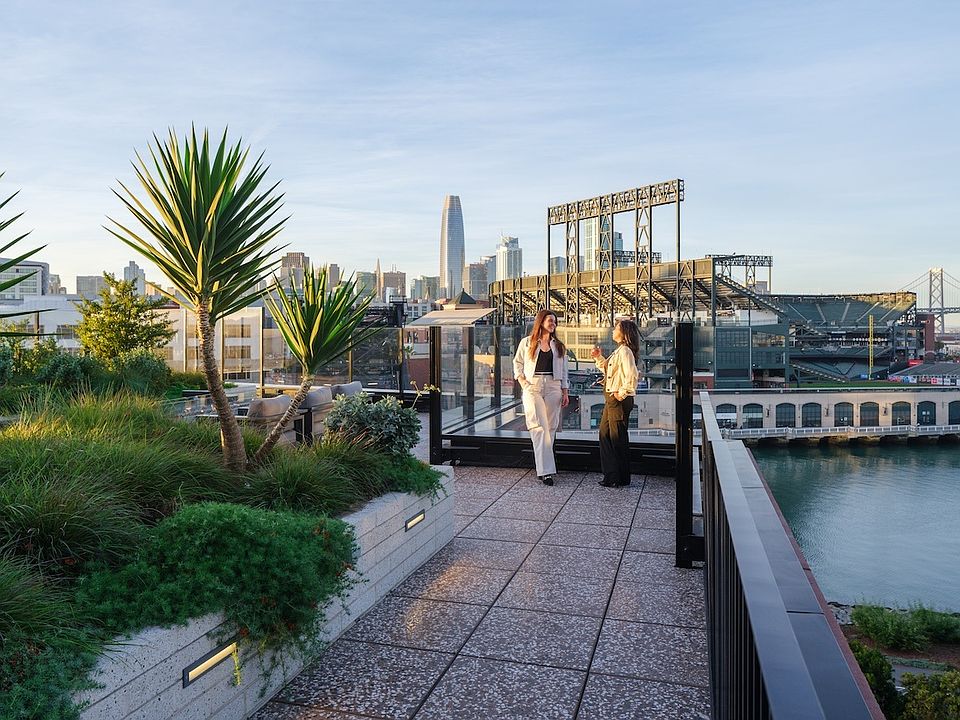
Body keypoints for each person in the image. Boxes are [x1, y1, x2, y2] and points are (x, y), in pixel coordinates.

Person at [513, 309, 569, 486]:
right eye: (550, 320)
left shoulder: (558, 346)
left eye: (554, 321)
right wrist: (522, 381)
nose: (553, 324)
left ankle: (544, 469)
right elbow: (517, 362)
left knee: (550, 427)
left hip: (554, 386)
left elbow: (564, 371)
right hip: (533, 386)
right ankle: (546, 472)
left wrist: (565, 392)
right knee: (538, 426)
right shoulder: (527, 342)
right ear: (541, 322)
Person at [591, 319, 642, 487]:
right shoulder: (620, 351)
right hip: (612, 399)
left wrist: (622, 393)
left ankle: (618, 477)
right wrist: (598, 357)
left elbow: (632, 374)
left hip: (617, 400)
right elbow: (609, 370)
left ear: (624, 333)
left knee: (616, 438)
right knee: (606, 434)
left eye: (616, 328)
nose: (613, 331)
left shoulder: (625, 351)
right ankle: (613, 476)